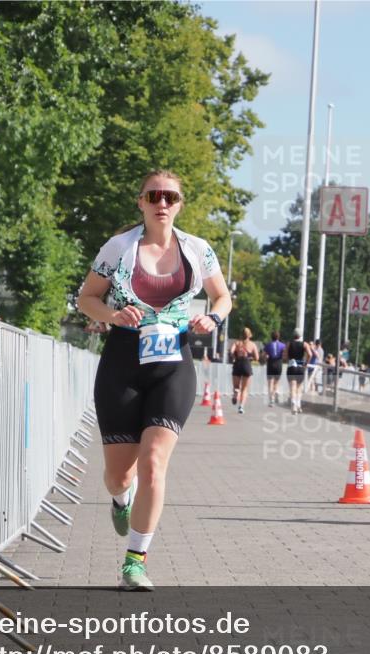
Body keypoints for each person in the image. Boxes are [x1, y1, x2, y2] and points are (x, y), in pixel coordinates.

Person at [77, 170, 231, 590]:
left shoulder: (198, 250)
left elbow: (223, 295)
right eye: (154, 196)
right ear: (141, 202)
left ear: (180, 204)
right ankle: (119, 500)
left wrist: (212, 317)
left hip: (173, 362)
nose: (162, 203)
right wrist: (111, 315)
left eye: (171, 197)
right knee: (120, 476)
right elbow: (86, 297)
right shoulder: (119, 248)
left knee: (153, 464)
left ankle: (135, 561)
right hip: (123, 361)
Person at [229, 328, 258, 414]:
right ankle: (241, 406)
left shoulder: (237, 343)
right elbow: (257, 357)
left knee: (236, 386)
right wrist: (250, 357)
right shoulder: (252, 345)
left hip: (237, 363)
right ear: (250, 335)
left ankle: (235, 393)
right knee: (244, 388)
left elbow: (231, 351)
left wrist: (235, 356)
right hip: (246, 364)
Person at [285, 329, 312, 414]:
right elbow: (310, 354)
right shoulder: (304, 344)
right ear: (301, 335)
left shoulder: (289, 344)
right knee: (299, 388)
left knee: (293, 386)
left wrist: (287, 360)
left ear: (293, 335)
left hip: (291, 366)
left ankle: (293, 404)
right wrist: (306, 363)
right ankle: (298, 404)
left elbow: (285, 355)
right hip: (300, 367)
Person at [263, 331, 286, 407]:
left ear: (271, 337)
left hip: (270, 363)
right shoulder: (283, 345)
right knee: (276, 383)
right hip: (278, 364)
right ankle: (273, 395)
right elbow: (284, 355)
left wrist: (265, 359)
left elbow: (264, 355)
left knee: (270, 383)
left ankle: (271, 400)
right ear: (278, 337)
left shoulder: (268, 345)